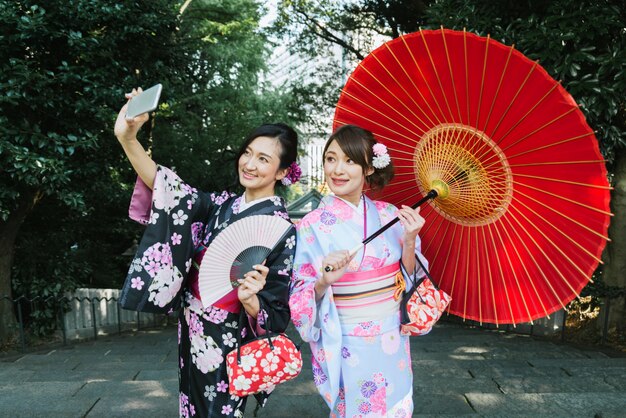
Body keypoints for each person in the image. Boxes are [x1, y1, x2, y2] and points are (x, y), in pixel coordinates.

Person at [114, 88, 301, 417]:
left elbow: (276, 307)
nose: (250, 164)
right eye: (248, 153)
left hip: (229, 333)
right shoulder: (220, 205)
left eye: (264, 159)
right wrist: (128, 139)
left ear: (282, 172)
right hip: (192, 322)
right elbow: (167, 189)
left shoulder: (281, 229)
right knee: (192, 405)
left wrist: (251, 298)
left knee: (219, 410)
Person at [289, 124, 427, 417]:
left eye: (350, 161)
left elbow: (411, 278)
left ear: (368, 168)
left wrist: (410, 242)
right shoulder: (311, 225)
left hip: (391, 336)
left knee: (396, 407)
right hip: (346, 338)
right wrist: (323, 282)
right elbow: (300, 291)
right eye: (331, 159)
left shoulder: (391, 216)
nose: (337, 169)